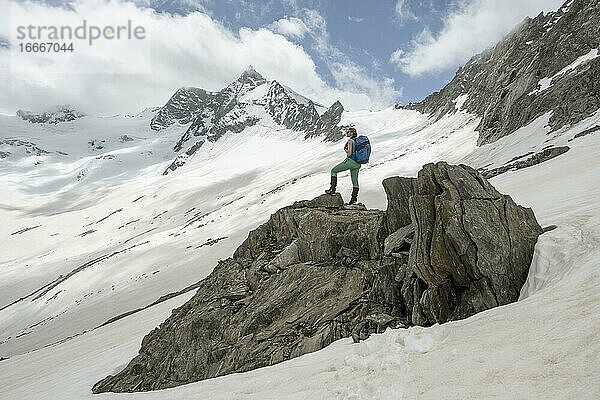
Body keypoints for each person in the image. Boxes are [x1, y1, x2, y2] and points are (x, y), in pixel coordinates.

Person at [325, 127, 361, 204]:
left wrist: (345, 150)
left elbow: (349, 153)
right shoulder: (357, 141)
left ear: (352, 133)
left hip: (350, 161)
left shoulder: (350, 141)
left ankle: (332, 190)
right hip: (357, 163)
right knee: (355, 181)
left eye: (348, 132)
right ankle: (353, 200)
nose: (347, 133)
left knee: (333, 170)